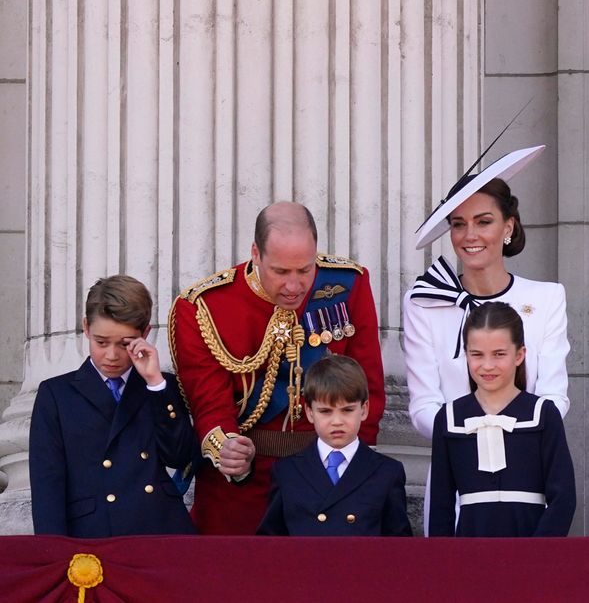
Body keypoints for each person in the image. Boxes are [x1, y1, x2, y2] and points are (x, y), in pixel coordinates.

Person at [169, 201, 385, 535]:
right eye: (281, 272)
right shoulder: (204, 307)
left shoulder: (347, 284)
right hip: (244, 482)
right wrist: (228, 451)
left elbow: (367, 383)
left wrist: (356, 466)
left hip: (327, 470)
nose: (295, 286)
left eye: (305, 270)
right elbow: (208, 404)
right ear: (256, 254)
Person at [404, 145, 570, 529]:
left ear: (508, 226)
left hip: (529, 477)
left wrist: (507, 430)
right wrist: (473, 431)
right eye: (458, 223)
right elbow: (423, 406)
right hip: (456, 480)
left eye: (483, 221)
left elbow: (554, 397)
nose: (469, 235)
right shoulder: (425, 302)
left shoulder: (546, 298)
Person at [29, 275, 196, 537]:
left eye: (125, 344)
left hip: (160, 530)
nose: (112, 355)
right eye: (101, 342)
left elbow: (180, 455)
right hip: (92, 534)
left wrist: (154, 383)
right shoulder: (56, 394)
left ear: (145, 334)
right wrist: (53, 553)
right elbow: (47, 485)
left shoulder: (162, 387)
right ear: (86, 327)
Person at [429, 301, 575, 536]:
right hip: (468, 554)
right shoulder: (448, 418)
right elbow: (440, 504)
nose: (487, 365)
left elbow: (563, 498)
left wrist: (539, 555)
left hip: (530, 554)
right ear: (466, 354)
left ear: (519, 355)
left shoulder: (543, 414)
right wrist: (446, 563)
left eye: (499, 354)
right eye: (477, 355)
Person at [257, 355, 411, 536]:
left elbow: (398, 547)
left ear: (364, 409)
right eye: (325, 411)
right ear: (309, 412)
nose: (337, 421)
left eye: (347, 410)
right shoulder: (287, 471)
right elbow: (270, 543)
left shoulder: (387, 472)